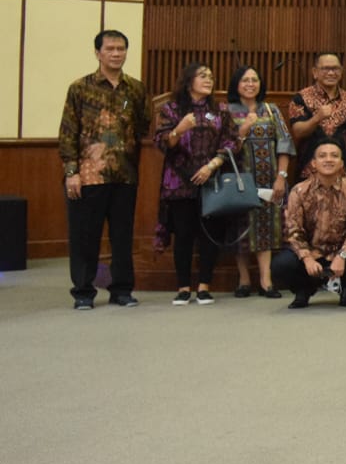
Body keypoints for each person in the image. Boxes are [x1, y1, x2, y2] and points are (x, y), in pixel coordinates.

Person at [58, 29, 149, 310]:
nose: (116, 54)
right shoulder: (80, 88)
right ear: (97, 53)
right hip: (88, 174)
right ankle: (83, 291)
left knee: (122, 236)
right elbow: (68, 133)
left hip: (124, 173)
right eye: (110, 49)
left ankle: (122, 289)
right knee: (86, 236)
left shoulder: (136, 88)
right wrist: (71, 171)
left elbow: (144, 125)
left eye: (121, 49)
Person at [153, 63, 240, 305]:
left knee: (209, 234)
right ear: (188, 80)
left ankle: (204, 286)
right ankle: (183, 287)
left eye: (211, 76)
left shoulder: (220, 110)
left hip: (210, 178)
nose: (208, 80)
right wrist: (178, 131)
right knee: (183, 234)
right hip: (179, 181)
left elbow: (232, 142)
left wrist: (211, 166)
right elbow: (160, 142)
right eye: (202, 76)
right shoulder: (172, 109)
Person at [272, 139, 346, 308]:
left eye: (334, 156)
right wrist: (307, 258)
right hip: (312, 254)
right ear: (314, 163)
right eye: (322, 156)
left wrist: (343, 255)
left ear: (341, 163)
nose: (328, 159)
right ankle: (304, 290)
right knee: (281, 264)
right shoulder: (299, 190)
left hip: (342, 255)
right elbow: (293, 230)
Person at [225, 64, 291, 298]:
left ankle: (266, 281)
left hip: (269, 178)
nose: (251, 84)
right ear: (236, 84)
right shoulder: (227, 111)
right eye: (245, 80)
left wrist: (281, 177)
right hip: (239, 179)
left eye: (254, 79)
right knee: (239, 229)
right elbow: (223, 147)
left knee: (266, 227)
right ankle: (243, 280)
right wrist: (243, 129)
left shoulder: (271, 110)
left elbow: (284, 144)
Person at [286, 53, 346, 180]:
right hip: (308, 170)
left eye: (335, 69)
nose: (331, 73)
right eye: (326, 69)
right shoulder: (301, 98)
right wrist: (317, 118)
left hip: (342, 170)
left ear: (341, 71)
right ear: (315, 72)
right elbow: (298, 132)